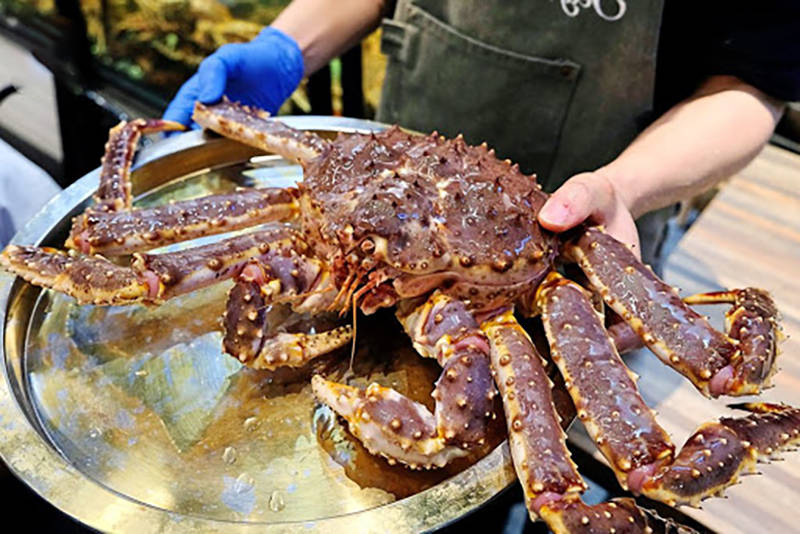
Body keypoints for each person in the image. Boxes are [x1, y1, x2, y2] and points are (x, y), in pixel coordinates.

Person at [163, 0, 799, 268]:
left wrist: (623, 186)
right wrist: (289, 46)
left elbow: (754, 83)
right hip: (374, 201)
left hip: (569, 234)